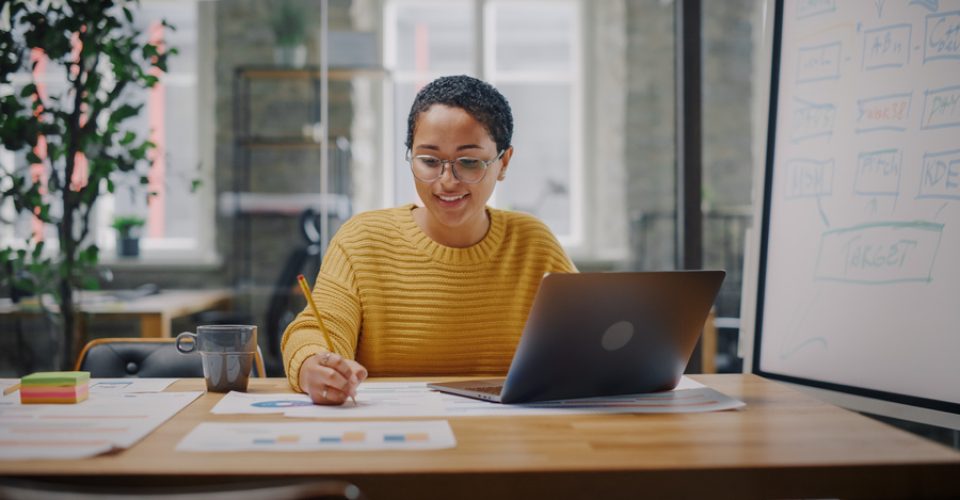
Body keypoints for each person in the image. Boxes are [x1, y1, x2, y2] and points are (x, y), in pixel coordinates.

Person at [281, 75, 576, 405]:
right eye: (430, 161)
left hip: (509, 441)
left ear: (503, 162)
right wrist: (313, 364)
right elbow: (314, 331)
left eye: (469, 162)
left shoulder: (533, 243)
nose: (447, 181)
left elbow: (587, 340)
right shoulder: (362, 241)